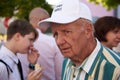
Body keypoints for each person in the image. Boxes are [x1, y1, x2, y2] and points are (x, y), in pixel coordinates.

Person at [39, 0, 120, 80]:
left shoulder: (116, 69)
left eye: (66, 32)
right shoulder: (67, 61)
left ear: (88, 30)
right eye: (55, 34)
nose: (59, 41)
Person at [18, 7, 63, 80]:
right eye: (47, 22)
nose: (49, 25)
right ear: (41, 21)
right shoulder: (52, 42)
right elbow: (60, 73)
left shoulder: (18, 41)